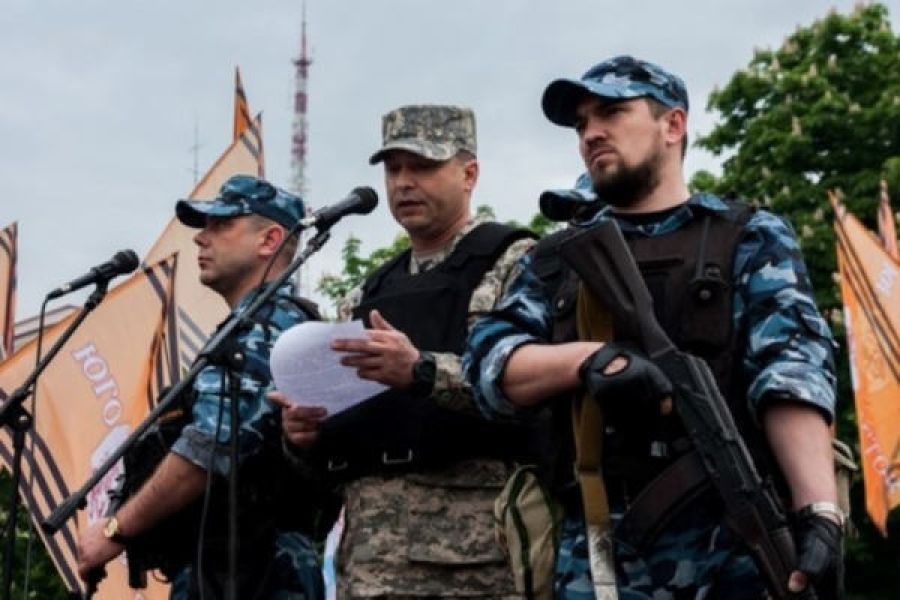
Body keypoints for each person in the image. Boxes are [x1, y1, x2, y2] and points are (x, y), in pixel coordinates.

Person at [464, 56, 844, 599]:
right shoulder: (554, 261)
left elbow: (790, 373)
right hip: (596, 551)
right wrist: (589, 360)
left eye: (612, 112)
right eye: (582, 123)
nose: (591, 133)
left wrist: (819, 510)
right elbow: (489, 364)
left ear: (673, 125)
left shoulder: (748, 237)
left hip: (731, 548)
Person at [272, 104, 537, 598]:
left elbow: (530, 390)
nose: (404, 183)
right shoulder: (369, 291)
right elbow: (336, 457)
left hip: (475, 564)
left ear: (469, 173)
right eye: (394, 169)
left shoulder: (514, 263)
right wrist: (305, 436)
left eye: (423, 166)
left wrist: (421, 371)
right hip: (368, 564)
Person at [77, 175, 326, 599]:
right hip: (225, 567)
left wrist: (116, 529)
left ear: (269, 240)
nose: (200, 238)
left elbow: (211, 445)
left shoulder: (269, 326)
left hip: (255, 571)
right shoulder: (247, 326)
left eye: (221, 224)